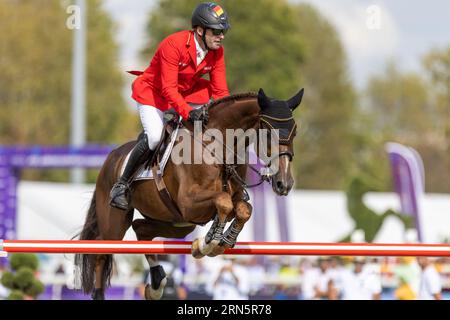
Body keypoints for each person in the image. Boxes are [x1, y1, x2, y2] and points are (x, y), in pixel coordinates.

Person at [110, 2, 231, 210]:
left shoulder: (216, 52)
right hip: (154, 94)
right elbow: (168, 88)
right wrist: (187, 112)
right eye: (217, 31)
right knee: (156, 136)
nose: (221, 36)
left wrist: (228, 121)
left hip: (187, 92)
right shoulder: (173, 44)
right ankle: (122, 185)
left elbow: (220, 92)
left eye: (223, 31)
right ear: (200, 30)